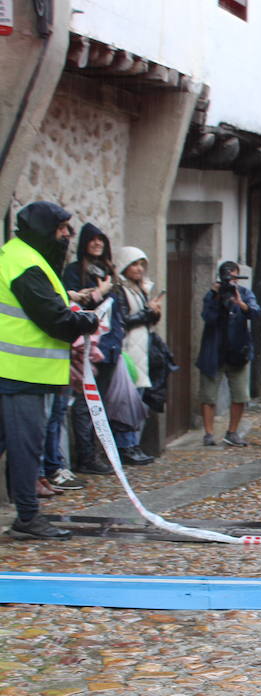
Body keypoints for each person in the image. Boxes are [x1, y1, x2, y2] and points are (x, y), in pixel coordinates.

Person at [0, 201, 100, 539]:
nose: (67, 236)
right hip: (20, 374)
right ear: (44, 228)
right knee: (26, 447)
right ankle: (27, 518)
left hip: (19, 372)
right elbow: (53, 318)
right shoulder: (24, 263)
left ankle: (26, 515)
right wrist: (87, 321)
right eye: (61, 229)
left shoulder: (24, 257)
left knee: (11, 442)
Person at [61, 223, 116, 476]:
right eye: (93, 240)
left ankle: (96, 453)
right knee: (85, 403)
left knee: (99, 403)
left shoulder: (108, 270)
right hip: (86, 345)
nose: (97, 244)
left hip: (109, 343)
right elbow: (76, 307)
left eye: (101, 240)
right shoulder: (74, 272)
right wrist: (98, 293)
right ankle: (86, 456)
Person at [197, 260, 261, 447]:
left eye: (234, 276)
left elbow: (256, 313)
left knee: (240, 395)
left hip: (237, 351)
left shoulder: (245, 293)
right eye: (228, 276)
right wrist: (216, 297)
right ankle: (208, 434)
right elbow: (207, 317)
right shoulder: (212, 295)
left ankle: (232, 432)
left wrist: (242, 304)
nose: (231, 280)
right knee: (208, 396)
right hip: (213, 351)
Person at [109, 246, 163, 465]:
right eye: (134, 264)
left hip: (141, 350)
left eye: (142, 264)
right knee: (127, 401)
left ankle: (133, 443)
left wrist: (153, 313)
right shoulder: (119, 290)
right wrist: (147, 312)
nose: (139, 269)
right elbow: (122, 320)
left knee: (138, 399)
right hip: (129, 350)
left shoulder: (139, 289)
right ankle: (126, 445)